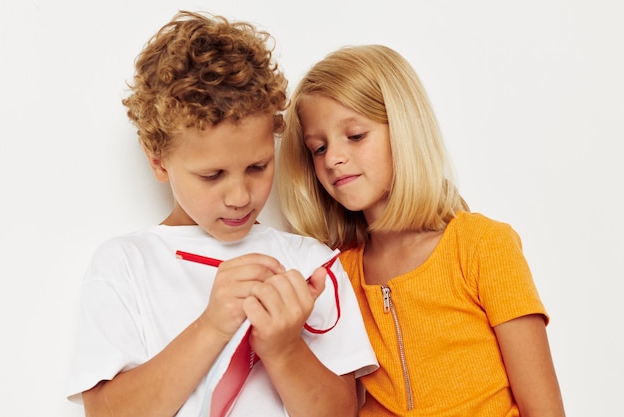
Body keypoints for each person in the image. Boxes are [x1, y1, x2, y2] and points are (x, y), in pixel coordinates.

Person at [66, 11, 377, 417]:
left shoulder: (310, 263)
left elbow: (342, 413)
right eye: (212, 175)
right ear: (158, 162)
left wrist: (283, 348)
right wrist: (212, 325)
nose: (239, 196)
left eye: (258, 167)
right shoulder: (124, 264)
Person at [277, 44, 566, 416]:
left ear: (403, 130)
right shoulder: (339, 274)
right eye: (318, 148)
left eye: (355, 136)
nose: (333, 158)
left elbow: (545, 408)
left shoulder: (482, 245)